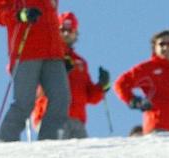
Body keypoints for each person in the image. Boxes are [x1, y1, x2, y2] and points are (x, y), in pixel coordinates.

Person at [0, 0, 70, 141]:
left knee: (61, 98)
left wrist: (64, 54)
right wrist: (20, 15)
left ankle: (49, 140)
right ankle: (5, 140)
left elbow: (51, 24)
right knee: (24, 102)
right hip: (27, 52)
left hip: (53, 54)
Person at [31, 11, 110, 139]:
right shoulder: (46, 55)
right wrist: (59, 74)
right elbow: (35, 87)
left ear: (76, 33)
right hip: (51, 117)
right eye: (63, 29)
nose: (67, 33)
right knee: (55, 155)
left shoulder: (80, 62)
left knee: (84, 157)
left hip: (76, 120)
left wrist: (102, 86)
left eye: (70, 30)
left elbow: (90, 96)